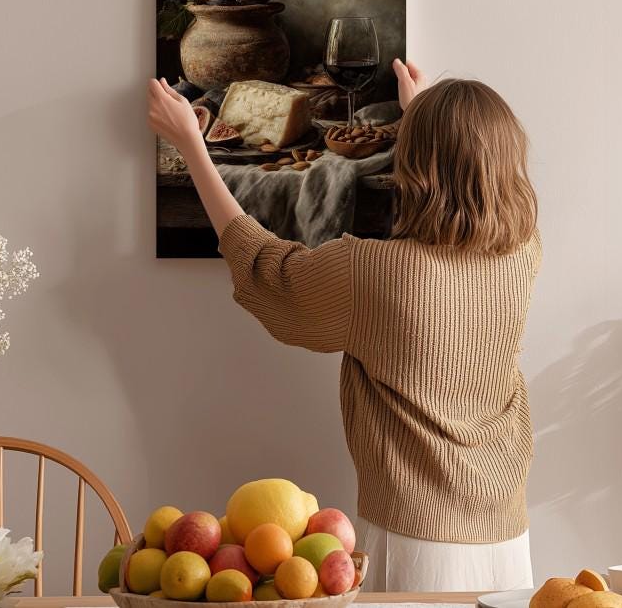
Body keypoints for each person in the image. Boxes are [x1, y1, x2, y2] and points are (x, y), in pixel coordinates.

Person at [147, 59, 541, 592]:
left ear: (414, 161)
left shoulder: (374, 272)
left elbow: (266, 266)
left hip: (415, 537)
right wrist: (424, 115)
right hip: (508, 536)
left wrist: (192, 145)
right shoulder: (523, 253)